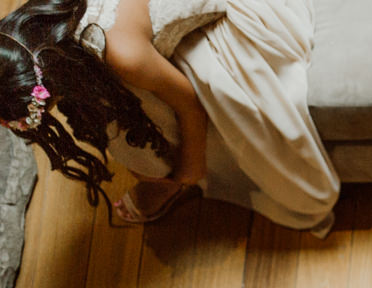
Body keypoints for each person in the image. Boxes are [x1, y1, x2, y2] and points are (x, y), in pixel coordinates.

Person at [0, 0, 339, 231]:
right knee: (123, 129)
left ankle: (167, 186)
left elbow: (189, 104)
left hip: (218, 16)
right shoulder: (39, 23)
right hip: (137, 39)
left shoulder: (123, 53)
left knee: (144, 150)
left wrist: (188, 172)